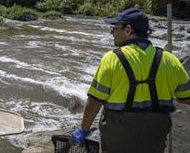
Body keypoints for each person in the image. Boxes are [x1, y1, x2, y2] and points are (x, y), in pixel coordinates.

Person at [71, 8, 190, 152]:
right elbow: (186, 98)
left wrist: (84, 129)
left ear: (128, 30)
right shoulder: (171, 60)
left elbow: (95, 101)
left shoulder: (112, 59)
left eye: (115, 28)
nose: (112, 33)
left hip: (119, 137)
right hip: (154, 136)